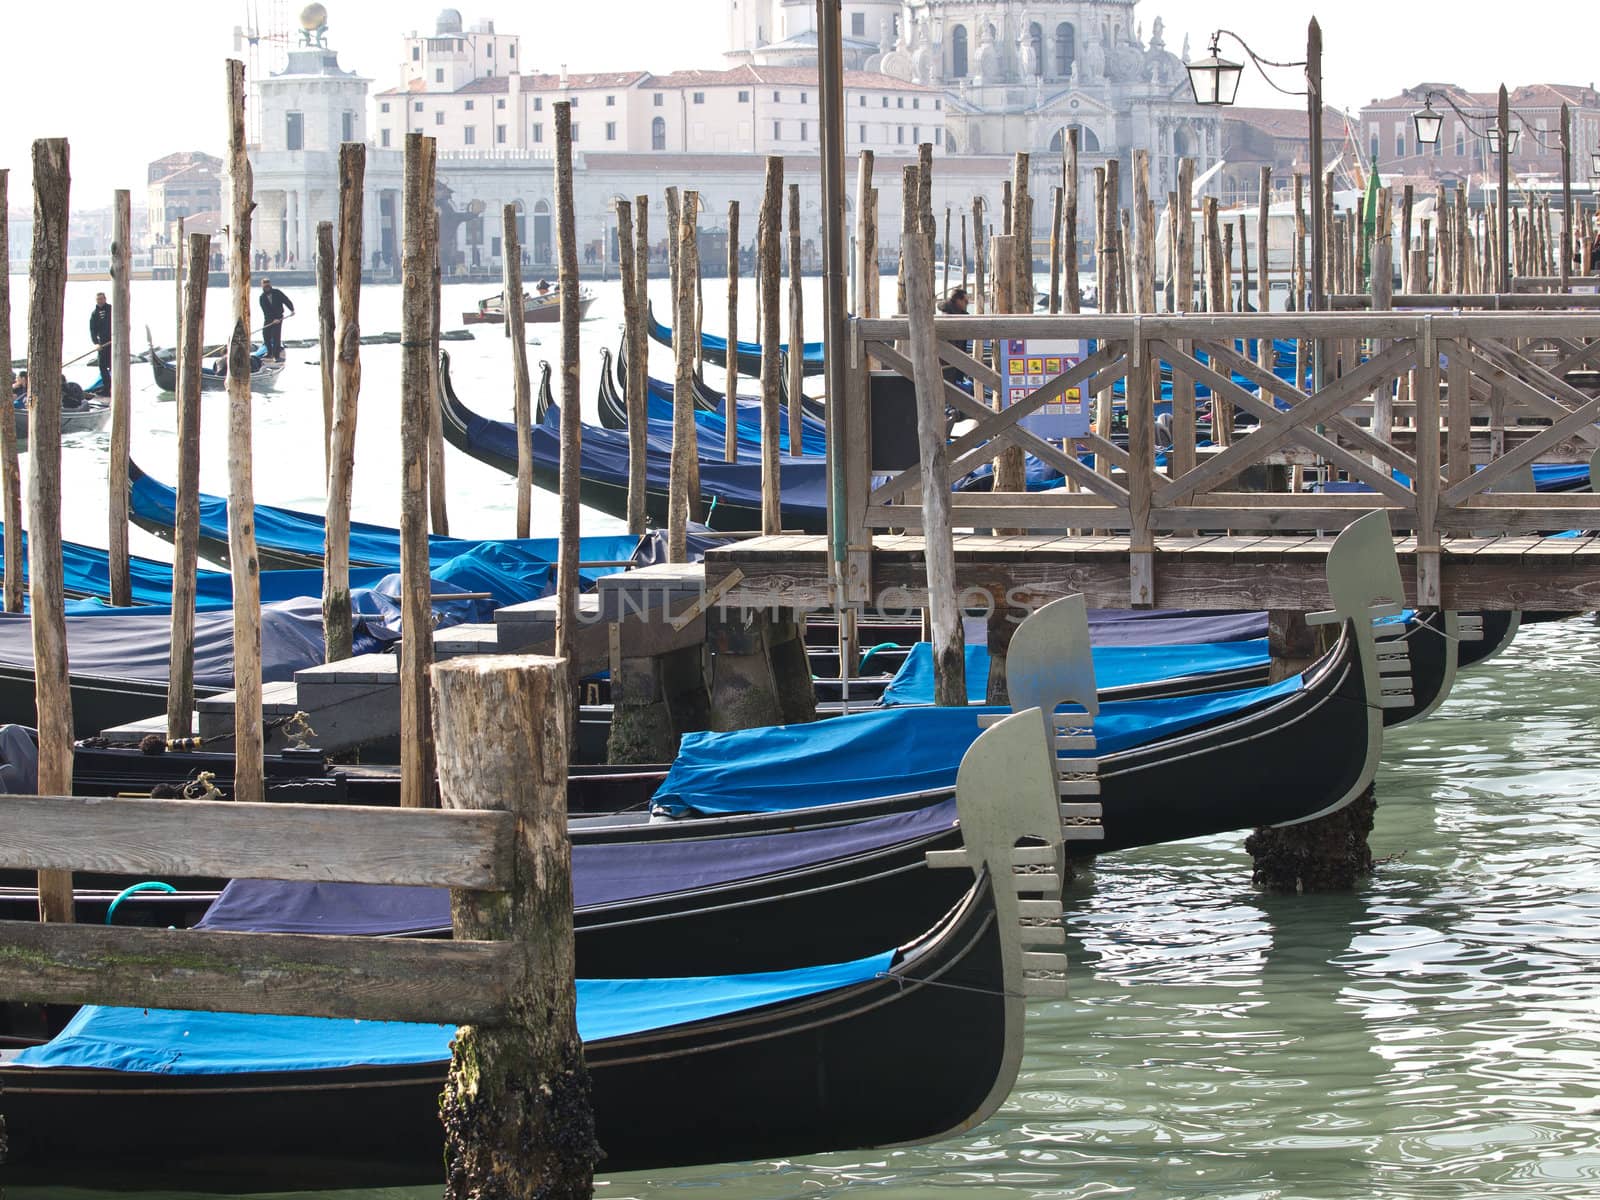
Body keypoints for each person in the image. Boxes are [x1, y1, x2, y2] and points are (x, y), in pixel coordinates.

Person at [937, 287, 972, 392]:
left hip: (953, 362)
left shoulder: (956, 315)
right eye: (966, 302)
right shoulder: (949, 317)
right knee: (950, 392)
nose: (967, 304)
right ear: (958, 300)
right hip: (948, 364)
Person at [258, 278, 295, 361]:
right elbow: (266, 311)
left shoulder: (277, 292)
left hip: (279, 317)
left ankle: (276, 355)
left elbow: (286, 300)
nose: (267, 286)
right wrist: (273, 320)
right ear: (262, 286)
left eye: (268, 284)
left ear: (270, 285)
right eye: (265, 284)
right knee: (265, 335)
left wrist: (292, 309)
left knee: (276, 336)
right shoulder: (262, 298)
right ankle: (269, 352)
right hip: (268, 318)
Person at [89, 291, 112, 383]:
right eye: (98, 299)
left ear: (105, 299)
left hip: (112, 341)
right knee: (102, 366)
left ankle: (113, 385)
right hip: (102, 343)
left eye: (102, 299)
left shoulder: (111, 309)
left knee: (112, 364)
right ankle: (107, 386)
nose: (100, 301)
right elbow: (92, 330)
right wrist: (96, 343)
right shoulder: (94, 314)